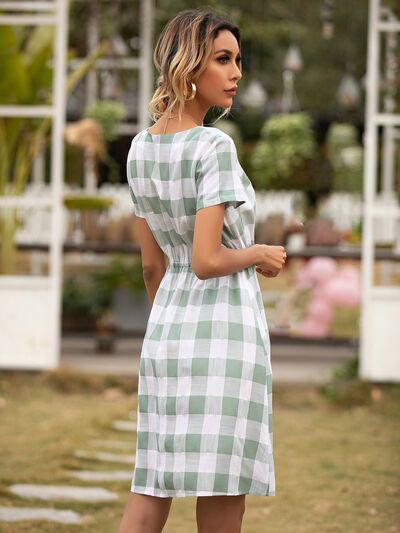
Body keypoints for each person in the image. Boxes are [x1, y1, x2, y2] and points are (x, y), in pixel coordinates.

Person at [118, 8, 286, 533]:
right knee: (222, 488)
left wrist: (173, 323)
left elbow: (153, 265)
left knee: (153, 483)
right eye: (223, 60)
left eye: (237, 60)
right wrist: (258, 254)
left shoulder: (140, 148)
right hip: (224, 335)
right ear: (188, 65)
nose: (237, 72)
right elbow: (208, 260)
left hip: (166, 334)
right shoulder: (214, 145)